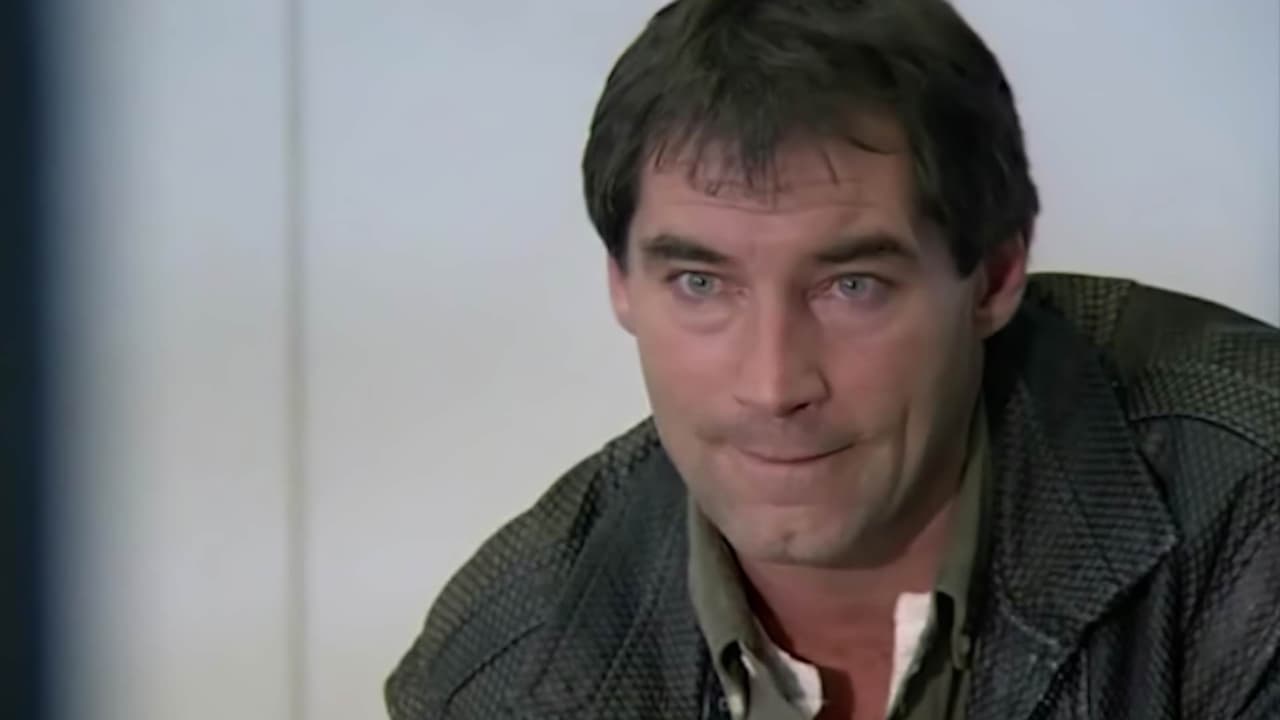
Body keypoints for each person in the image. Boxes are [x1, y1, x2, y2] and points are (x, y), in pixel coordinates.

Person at [386, 0, 1280, 717]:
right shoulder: (502, 676)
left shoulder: (1249, 515)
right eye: (701, 284)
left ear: (994, 277)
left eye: (852, 286)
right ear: (621, 285)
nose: (774, 386)